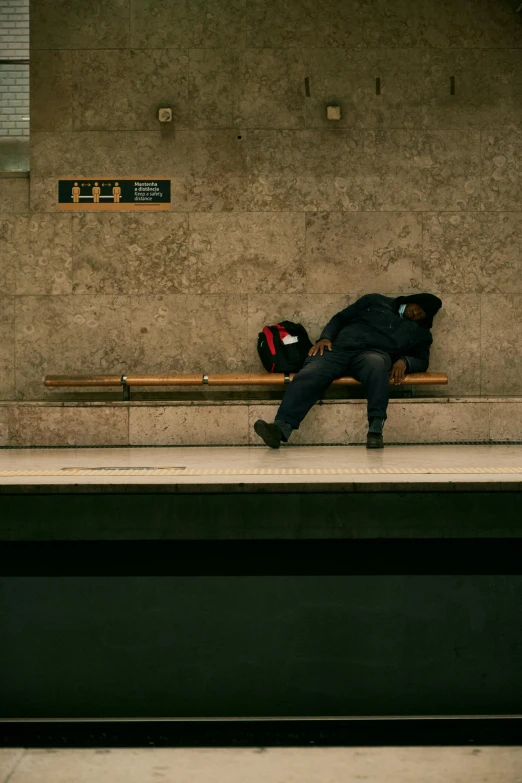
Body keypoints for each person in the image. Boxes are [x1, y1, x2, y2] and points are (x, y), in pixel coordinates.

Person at [254, 293, 442, 450]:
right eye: (418, 307)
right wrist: (325, 337)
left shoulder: (421, 332)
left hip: (372, 354)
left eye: (422, 314)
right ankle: (280, 429)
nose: (417, 313)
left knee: (377, 366)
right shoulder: (375, 301)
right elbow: (340, 318)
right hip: (339, 349)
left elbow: (422, 359)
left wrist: (405, 361)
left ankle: (375, 431)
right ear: (412, 299)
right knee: (310, 373)